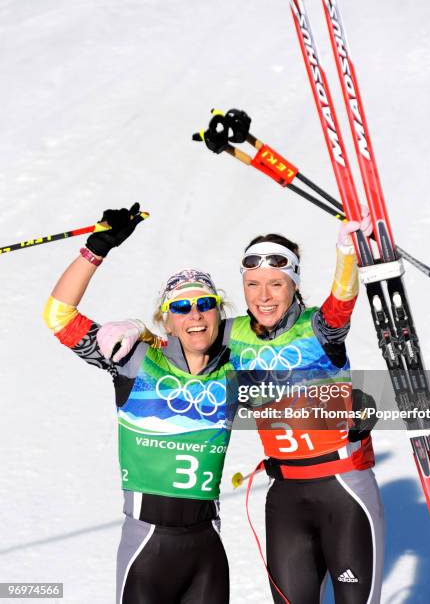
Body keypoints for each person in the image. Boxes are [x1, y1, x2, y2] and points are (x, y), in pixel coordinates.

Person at [97, 212, 384, 604]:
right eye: (253, 285)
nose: (264, 296)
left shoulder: (319, 327)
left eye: (275, 284)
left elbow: (341, 305)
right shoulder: (232, 333)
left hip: (344, 488)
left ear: (294, 285)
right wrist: (137, 329)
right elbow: (187, 330)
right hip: (285, 499)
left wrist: (346, 255)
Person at [43, 203, 236, 604]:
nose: (195, 316)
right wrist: (97, 248)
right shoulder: (135, 360)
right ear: (167, 319)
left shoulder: (235, 370)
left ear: (220, 311)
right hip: (147, 544)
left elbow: (298, 386)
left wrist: (358, 415)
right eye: (181, 308)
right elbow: (59, 316)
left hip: (207, 549)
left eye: (205, 304)